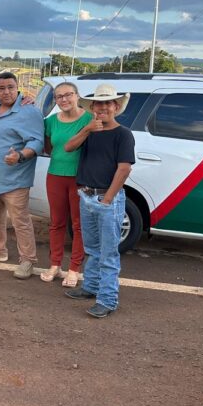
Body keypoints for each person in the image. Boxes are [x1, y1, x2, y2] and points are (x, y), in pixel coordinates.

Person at [64, 84, 135, 318]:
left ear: (116, 106)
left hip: (106, 199)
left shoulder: (123, 134)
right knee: (92, 248)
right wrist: (87, 130)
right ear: (92, 107)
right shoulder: (90, 131)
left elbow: (124, 169)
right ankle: (91, 287)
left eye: (108, 103)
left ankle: (107, 299)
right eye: (99, 103)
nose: (103, 107)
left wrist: (107, 199)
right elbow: (68, 147)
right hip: (87, 195)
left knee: (108, 253)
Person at [0, 71, 44, 279]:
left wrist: (21, 155)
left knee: (20, 221)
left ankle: (28, 260)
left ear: (17, 87)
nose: (6, 92)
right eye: (2, 88)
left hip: (14, 178)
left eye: (10, 87)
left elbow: (37, 142)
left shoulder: (28, 111)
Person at [40, 82, 92, 288]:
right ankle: (55, 265)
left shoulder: (90, 119)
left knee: (78, 224)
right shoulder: (51, 121)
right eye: (59, 96)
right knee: (56, 222)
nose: (64, 99)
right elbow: (48, 147)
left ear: (77, 96)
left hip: (80, 178)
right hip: (55, 175)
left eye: (68, 95)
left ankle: (74, 268)